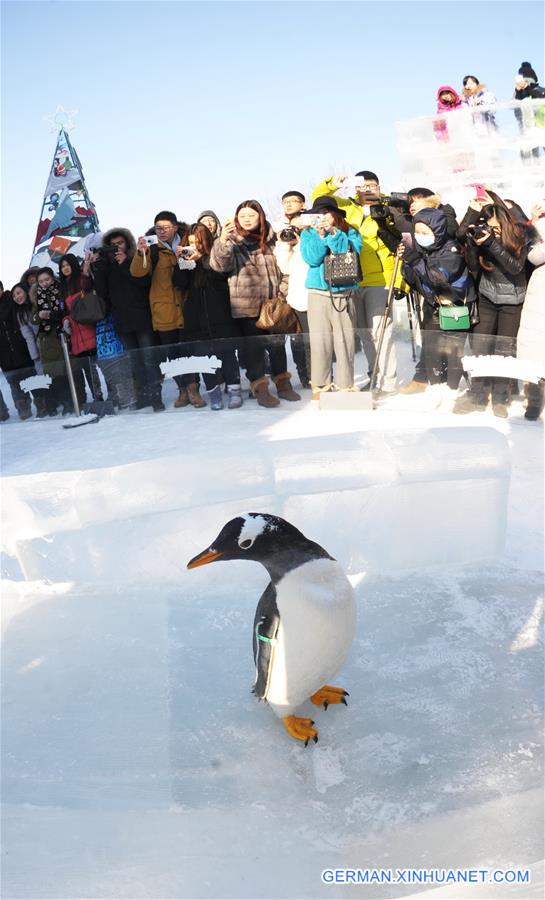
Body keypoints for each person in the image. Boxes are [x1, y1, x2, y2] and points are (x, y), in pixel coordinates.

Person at [311, 170, 403, 394]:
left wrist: (400, 282)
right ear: (356, 188)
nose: (368, 189)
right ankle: (374, 375)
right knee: (364, 333)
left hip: (380, 279)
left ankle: (388, 382)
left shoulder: (388, 209)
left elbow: (400, 245)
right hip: (349, 279)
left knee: (381, 332)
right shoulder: (347, 207)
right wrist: (333, 183)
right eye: (363, 186)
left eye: (372, 185)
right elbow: (318, 198)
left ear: (379, 187)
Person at [210, 199, 300, 408]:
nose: (247, 219)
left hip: (273, 303)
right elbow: (219, 266)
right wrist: (222, 241)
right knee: (254, 349)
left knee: (277, 346)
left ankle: (283, 383)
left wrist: (282, 292)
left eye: (251, 215)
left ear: (260, 216)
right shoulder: (232, 240)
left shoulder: (273, 238)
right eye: (242, 216)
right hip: (246, 306)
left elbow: (286, 266)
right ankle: (260, 388)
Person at [454, 199, 533, 417]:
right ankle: (477, 395)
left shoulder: (520, 236)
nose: (491, 232)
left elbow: (515, 268)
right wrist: (473, 244)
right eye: (488, 227)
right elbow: (472, 266)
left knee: (504, 350)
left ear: (504, 224)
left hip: (512, 301)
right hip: (487, 295)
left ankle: (500, 398)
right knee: (480, 347)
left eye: (495, 228)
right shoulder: (483, 239)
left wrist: (491, 243)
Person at [397, 208, 475, 398]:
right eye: (417, 232)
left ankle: (451, 391)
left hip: (455, 307)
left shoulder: (451, 250)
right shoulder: (423, 250)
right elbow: (415, 279)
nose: (420, 236)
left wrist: (414, 259)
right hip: (434, 305)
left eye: (425, 232)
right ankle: (435, 388)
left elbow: (438, 277)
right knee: (432, 351)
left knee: (453, 353)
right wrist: (406, 262)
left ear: (437, 230)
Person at [131, 211, 205, 408]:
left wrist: (187, 257)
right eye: (158, 228)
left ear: (175, 227)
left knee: (190, 352)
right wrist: (141, 253)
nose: (161, 231)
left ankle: (193, 389)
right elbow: (137, 273)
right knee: (172, 354)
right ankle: (182, 390)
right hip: (163, 310)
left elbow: (189, 275)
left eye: (166, 227)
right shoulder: (152, 248)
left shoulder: (187, 242)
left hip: (187, 308)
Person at [91, 228, 163, 411]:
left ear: (127, 243)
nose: (117, 247)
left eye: (120, 243)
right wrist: (99, 267)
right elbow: (102, 292)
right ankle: (144, 396)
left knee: (149, 359)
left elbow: (143, 282)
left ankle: (156, 397)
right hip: (122, 322)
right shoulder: (107, 267)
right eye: (113, 244)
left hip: (142, 318)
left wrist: (125, 263)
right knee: (134, 361)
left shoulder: (136, 260)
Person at [172, 223, 242, 410]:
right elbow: (179, 283)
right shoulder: (187, 261)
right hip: (195, 318)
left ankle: (234, 390)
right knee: (204, 358)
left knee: (227, 355)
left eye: (198, 242)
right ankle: (214, 394)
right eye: (191, 242)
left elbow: (221, 275)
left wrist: (202, 258)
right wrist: (182, 261)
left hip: (221, 314)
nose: (195, 246)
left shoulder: (215, 255)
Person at [299, 197, 362, 398]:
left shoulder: (350, 231)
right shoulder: (308, 233)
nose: (323, 217)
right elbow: (312, 258)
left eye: (326, 212)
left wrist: (333, 233)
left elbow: (347, 252)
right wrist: (320, 235)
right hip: (318, 293)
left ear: (335, 214)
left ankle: (346, 384)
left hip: (344, 292)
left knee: (345, 341)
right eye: (318, 214)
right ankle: (320, 385)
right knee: (320, 341)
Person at [274, 190, 310, 388]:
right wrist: (284, 243)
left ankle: (317, 374)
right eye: (284, 202)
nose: (288, 205)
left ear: (303, 204)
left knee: (313, 338)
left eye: (293, 201)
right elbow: (284, 266)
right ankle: (303, 373)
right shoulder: (279, 227)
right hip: (291, 294)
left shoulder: (312, 224)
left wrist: (301, 239)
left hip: (311, 290)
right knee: (297, 338)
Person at [58, 253, 103, 409]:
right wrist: (65, 320)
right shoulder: (62, 288)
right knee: (89, 370)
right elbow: (63, 310)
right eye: (62, 266)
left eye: (67, 265)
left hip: (91, 329)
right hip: (76, 336)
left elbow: (88, 286)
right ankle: (98, 397)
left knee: (103, 366)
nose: (65, 268)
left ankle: (113, 394)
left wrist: (85, 271)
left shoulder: (81, 279)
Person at [517, 203, 545, 420]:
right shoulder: (541, 225)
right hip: (540, 293)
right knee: (534, 346)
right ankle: (534, 400)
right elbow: (534, 256)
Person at [0, 284, 38, 420]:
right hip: (4, 354)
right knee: (14, 383)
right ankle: (23, 408)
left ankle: (42, 403)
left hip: (21, 347)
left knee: (31, 378)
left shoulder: (12, 301)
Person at [33, 267, 68, 413]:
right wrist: (39, 315)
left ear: (53, 278)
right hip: (48, 338)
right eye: (41, 281)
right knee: (55, 374)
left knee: (70, 371)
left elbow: (66, 308)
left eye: (47, 279)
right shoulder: (37, 295)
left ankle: (76, 400)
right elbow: (33, 318)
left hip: (64, 333)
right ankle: (65, 402)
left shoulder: (61, 290)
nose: (44, 283)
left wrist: (57, 315)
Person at [11, 283, 49, 416]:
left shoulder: (35, 305)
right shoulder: (19, 313)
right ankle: (49, 404)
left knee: (54, 373)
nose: (17, 297)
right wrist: (35, 354)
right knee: (43, 376)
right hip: (37, 348)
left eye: (19, 293)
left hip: (49, 342)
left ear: (26, 292)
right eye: (14, 295)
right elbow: (28, 335)